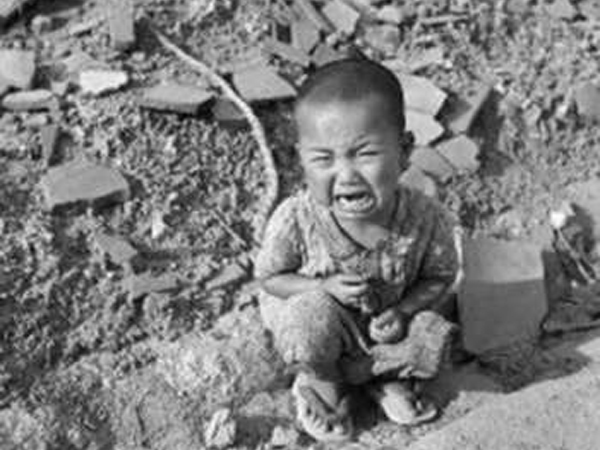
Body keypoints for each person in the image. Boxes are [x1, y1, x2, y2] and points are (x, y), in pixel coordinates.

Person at [254, 58, 459, 442]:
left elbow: (440, 278)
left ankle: (385, 380)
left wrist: (403, 311)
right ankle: (324, 384)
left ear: (404, 151)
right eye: (323, 159)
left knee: (433, 332)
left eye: (365, 154)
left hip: (387, 336)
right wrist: (322, 287)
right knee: (307, 319)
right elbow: (269, 279)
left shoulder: (427, 217)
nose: (346, 175)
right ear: (301, 159)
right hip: (328, 332)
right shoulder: (296, 218)